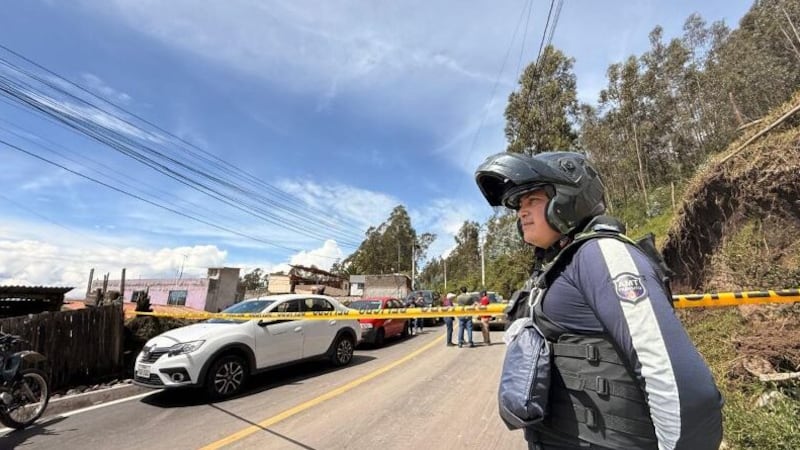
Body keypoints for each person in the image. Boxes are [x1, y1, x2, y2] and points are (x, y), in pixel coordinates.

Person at [475, 151, 723, 450]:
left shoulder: (601, 254)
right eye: (517, 205)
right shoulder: (556, 268)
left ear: (567, 201)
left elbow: (677, 381)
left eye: (532, 201)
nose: (520, 212)